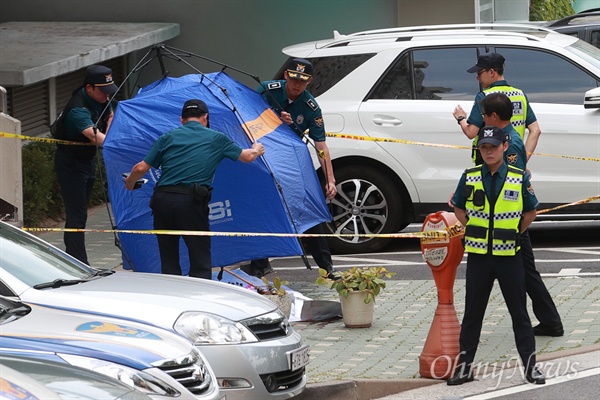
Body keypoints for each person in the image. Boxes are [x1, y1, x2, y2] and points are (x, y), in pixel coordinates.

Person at [448, 126, 545, 386]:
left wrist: (514, 233)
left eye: (493, 146)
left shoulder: (518, 176)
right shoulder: (469, 176)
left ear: (505, 146)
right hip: (479, 257)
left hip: (509, 256)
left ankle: (530, 367)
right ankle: (464, 368)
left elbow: (530, 212)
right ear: (479, 150)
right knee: (472, 314)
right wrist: (473, 228)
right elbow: (458, 205)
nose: (488, 151)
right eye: (484, 147)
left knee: (519, 313)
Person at [124, 99, 265, 279]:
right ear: (205, 117)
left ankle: (173, 296)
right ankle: (199, 298)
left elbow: (139, 169)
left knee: (168, 256)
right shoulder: (216, 137)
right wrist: (257, 148)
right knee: (199, 255)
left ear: (182, 119)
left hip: (162, 201)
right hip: (191, 202)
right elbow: (248, 157)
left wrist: (129, 183)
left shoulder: (167, 137)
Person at [242, 58, 338, 279]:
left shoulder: (311, 106)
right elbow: (247, 118)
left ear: (309, 81)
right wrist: (274, 119)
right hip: (262, 155)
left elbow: (321, 145)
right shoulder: (268, 90)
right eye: (294, 79)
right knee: (265, 208)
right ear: (286, 76)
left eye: (302, 81)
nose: (297, 85)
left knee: (310, 207)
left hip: (290, 161)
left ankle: (327, 267)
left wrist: (330, 179)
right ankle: (259, 264)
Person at [478, 93, 563, 337]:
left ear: (494, 116)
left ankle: (551, 321)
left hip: (512, 219)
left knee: (526, 272)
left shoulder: (510, 142)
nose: (483, 120)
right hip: (510, 218)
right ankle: (550, 320)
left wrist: (518, 226)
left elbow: (514, 180)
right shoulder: (508, 137)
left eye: (484, 116)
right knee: (527, 272)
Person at [54, 64, 117, 264]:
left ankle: (76, 258)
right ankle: (77, 261)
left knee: (82, 214)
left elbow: (110, 114)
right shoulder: (78, 109)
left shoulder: (101, 98)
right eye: (103, 91)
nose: (107, 96)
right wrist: (120, 145)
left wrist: (109, 123)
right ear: (89, 88)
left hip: (86, 160)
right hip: (71, 164)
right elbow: (95, 137)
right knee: (77, 215)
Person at [452, 52, 541, 163]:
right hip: (513, 157)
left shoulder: (484, 97)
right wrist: (521, 160)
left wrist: (461, 118)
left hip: (489, 163)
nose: (477, 77)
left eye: (480, 73)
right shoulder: (520, 95)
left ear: (492, 72)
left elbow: (471, 132)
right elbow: (536, 130)